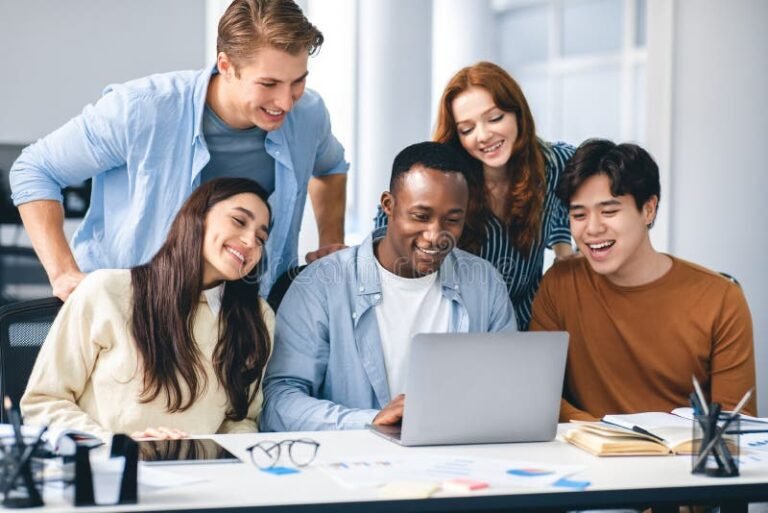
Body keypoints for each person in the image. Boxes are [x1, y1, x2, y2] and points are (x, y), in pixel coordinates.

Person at [9, 0, 348, 302]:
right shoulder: (141, 108)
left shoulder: (308, 116)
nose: (285, 102)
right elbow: (35, 169)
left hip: (246, 318)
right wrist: (62, 272)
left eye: (298, 81)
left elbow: (330, 166)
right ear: (226, 66)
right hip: (129, 311)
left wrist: (330, 243)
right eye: (268, 84)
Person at [260, 142, 516, 432]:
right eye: (421, 217)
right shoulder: (319, 285)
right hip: (352, 457)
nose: (436, 235)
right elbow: (279, 403)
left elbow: (507, 389)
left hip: (455, 452)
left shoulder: (485, 283)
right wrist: (369, 422)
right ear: (389, 205)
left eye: (453, 220)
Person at [21, 178, 274, 442]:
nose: (250, 241)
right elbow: (44, 402)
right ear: (198, 216)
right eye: (239, 221)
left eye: (261, 238)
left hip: (197, 466)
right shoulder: (106, 291)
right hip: (107, 462)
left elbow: (241, 420)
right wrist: (120, 447)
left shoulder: (256, 317)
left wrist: (212, 452)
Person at [530, 140, 757, 421]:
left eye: (609, 211)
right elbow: (538, 392)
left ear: (648, 210)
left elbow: (735, 421)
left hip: (683, 449)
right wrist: (605, 435)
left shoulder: (721, 299)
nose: (593, 228)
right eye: (579, 215)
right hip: (588, 445)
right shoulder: (559, 284)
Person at [376, 62, 574, 330]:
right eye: (467, 129)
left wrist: (565, 247)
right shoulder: (444, 180)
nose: (483, 136)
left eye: (495, 118)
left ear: (518, 113)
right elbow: (390, 226)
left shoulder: (554, 163)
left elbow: (594, 191)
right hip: (453, 323)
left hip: (525, 325)